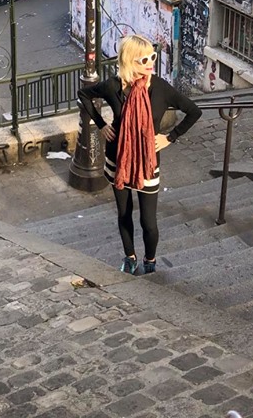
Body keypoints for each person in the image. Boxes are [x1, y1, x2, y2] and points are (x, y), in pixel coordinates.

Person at [77, 34, 202, 275]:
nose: (150, 63)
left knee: (148, 221)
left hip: (147, 162)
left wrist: (170, 137)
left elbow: (194, 111)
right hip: (117, 159)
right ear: (130, 61)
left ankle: (150, 261)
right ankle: (130, 257)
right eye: (144, 59)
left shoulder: (160, 88)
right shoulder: (114, 86)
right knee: (124, 213)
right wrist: (102, 124)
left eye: (152, 57)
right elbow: (85, 95)